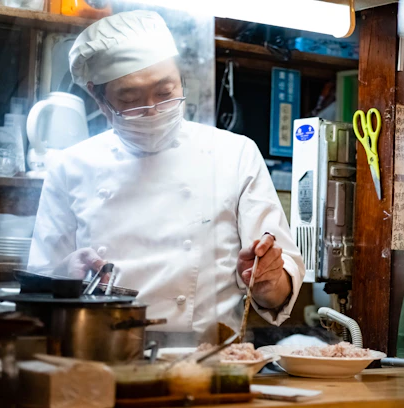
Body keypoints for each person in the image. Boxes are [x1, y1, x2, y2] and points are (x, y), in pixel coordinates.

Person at [27, 10, 305, 345]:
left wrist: (268, 280)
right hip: (101, 357)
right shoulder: (70, 167)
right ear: (98, 98)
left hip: (210, 364)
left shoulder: (234, 154)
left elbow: (276, 293)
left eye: (165, 92)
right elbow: (38, 294)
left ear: (181, 79)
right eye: (129, 100)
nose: (153, 112)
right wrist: (63, 278)